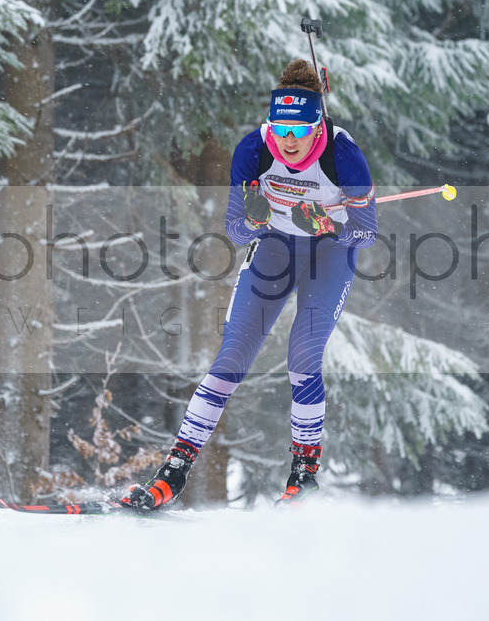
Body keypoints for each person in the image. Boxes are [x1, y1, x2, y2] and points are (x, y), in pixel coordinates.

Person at [122, 59, 377, 509]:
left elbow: (366, 232)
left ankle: (303, 479)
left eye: (299, 131)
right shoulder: (254, 149)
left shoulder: (342, 155)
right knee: (231, 358)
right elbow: (235, 229)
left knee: (303, 357)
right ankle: (172, 474)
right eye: (281, 129)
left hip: (329, 257)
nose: (289, 141)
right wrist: (256, 221)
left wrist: (328, 225)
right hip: (276, 249)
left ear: (317, 126)